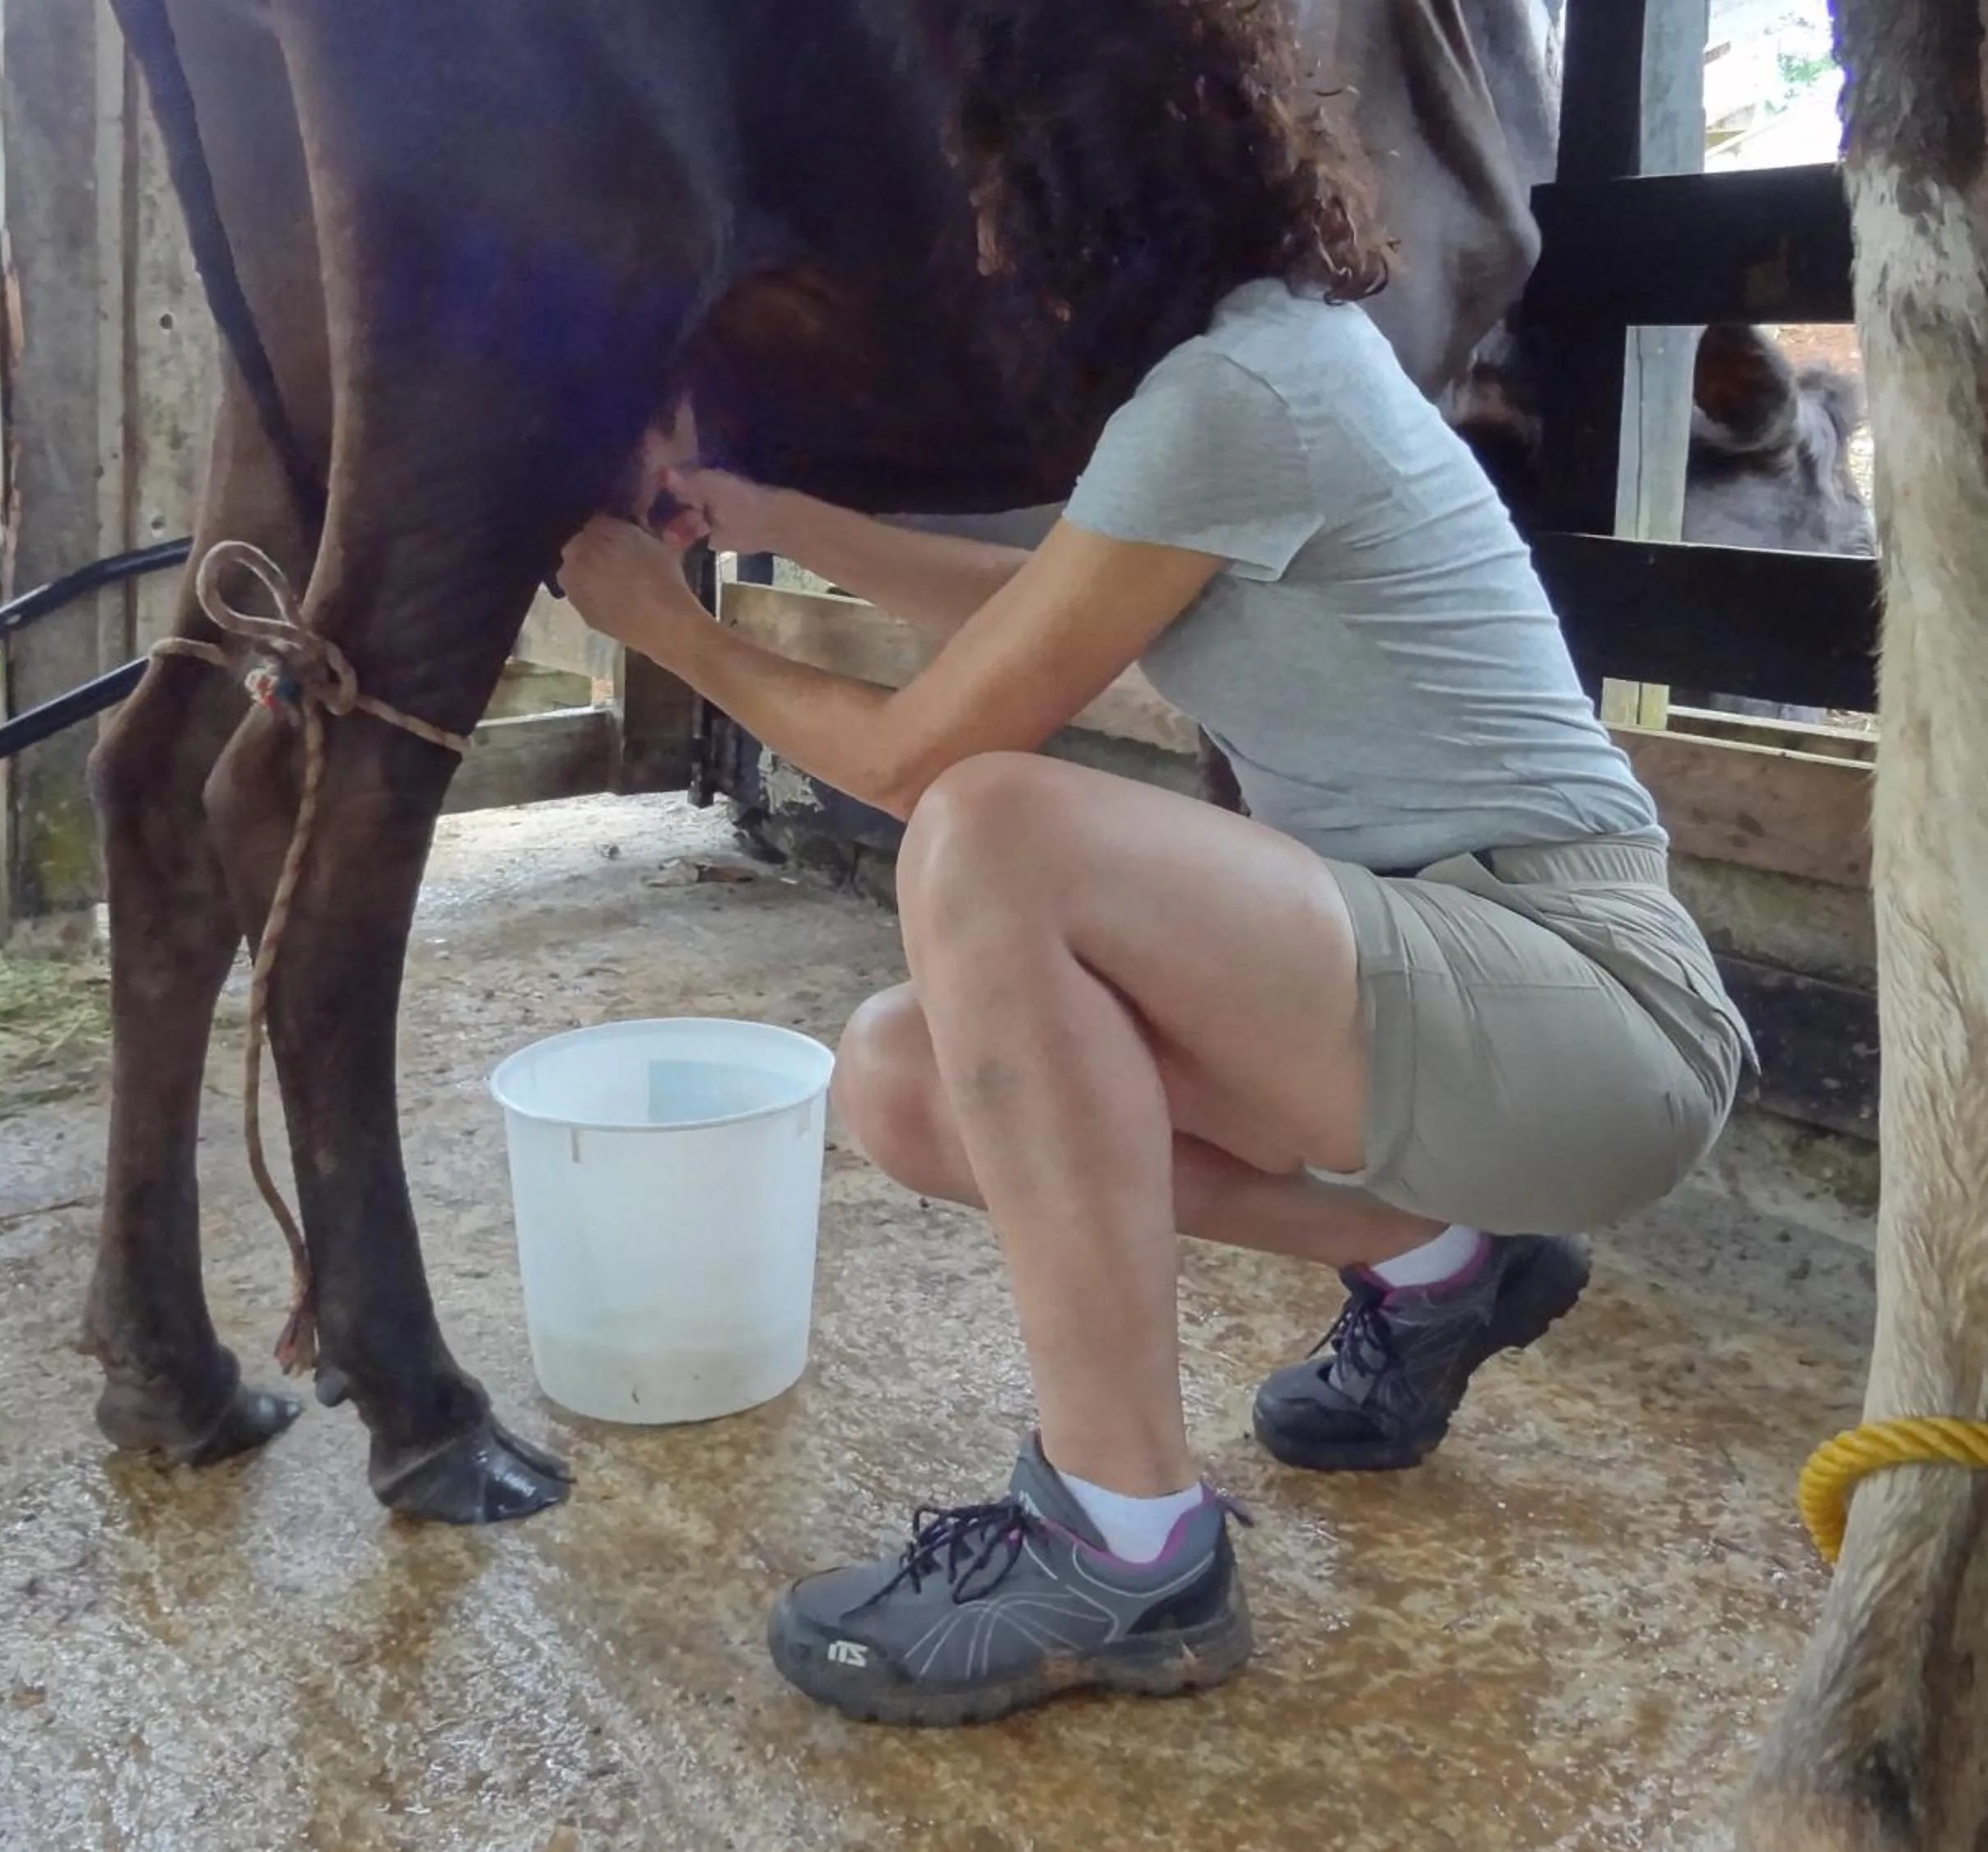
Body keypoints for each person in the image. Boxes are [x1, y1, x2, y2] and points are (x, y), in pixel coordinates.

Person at [552, 0, 1752, 1729]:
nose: (974, 242)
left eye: (994, 198)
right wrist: (770, 522)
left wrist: (668, 633)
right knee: (899, 1083)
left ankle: (1125, 1543)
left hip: (1588, 1006)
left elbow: (919, 755)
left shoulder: (1237, 394)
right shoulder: (1253, 368)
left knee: (988, 830)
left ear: (1075, 201)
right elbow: (1048, 618)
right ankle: (1442, 1260)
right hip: (1468, 994)